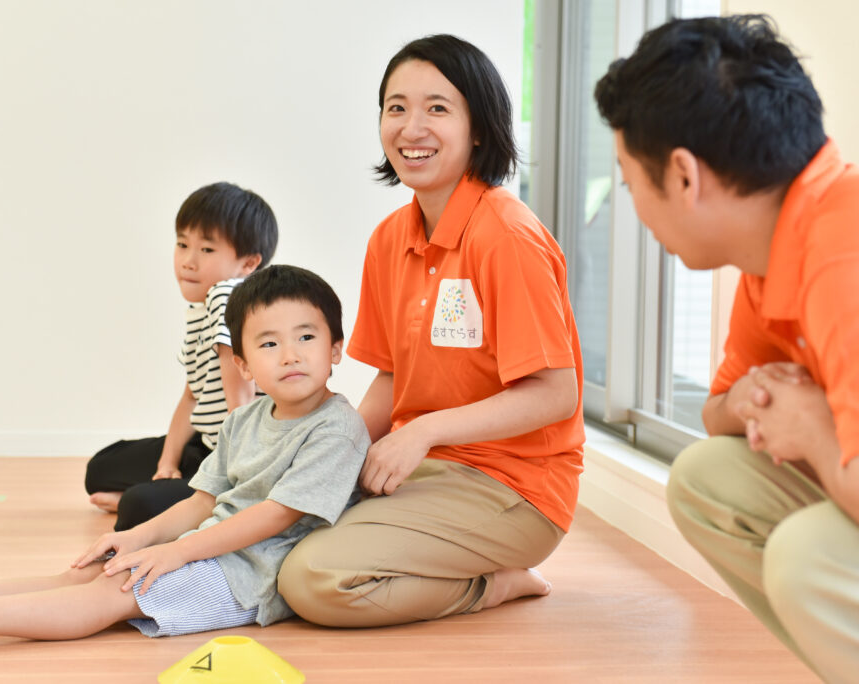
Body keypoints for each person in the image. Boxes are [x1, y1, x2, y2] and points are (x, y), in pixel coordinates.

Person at [0, 265, 369, 651]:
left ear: (336, 348)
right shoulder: (244, 420)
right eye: (270, 343)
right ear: (242, 362)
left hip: (251, 578)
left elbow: (277, 514)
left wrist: (179, 553)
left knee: (112, 594)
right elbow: (200, 502)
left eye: (307, 337)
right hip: (208, 550)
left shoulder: (337, 427)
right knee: (89, 573)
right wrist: (138, 537)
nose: (292, 354)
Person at [278, 34, 584, 627]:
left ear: (478, 128)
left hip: (512, 488)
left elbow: (557, 392)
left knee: (313, 579)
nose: (410, 127)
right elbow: (394, 377)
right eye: (396, 107)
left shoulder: (507, 238)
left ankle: (495, 585)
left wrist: (424, 433)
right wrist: (320, 448)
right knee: (276, 523)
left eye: (437, 108)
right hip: (420, 471)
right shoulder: (391, 238)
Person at [594, 15, 859, 682]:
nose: (636, 207)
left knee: (811, 556)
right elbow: (718, 413)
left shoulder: (843, 251)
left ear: (683, 176)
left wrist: (813, 429)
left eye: (631, 186)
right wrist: (752, 402)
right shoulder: (772, 248)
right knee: (708, 477)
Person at [85, 181, 278, 530]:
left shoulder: (227, 296)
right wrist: (166, 464)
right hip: (203, 446)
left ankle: (183, 503)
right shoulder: (200, 308)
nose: (188, 261)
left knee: (136, 505)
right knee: (100, 469)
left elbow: (241, 399)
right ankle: (169, 493)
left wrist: (237, 475)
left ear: (248, 263)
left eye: (206, 250)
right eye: (182, 244)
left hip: (231, 455)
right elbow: (192, 395)